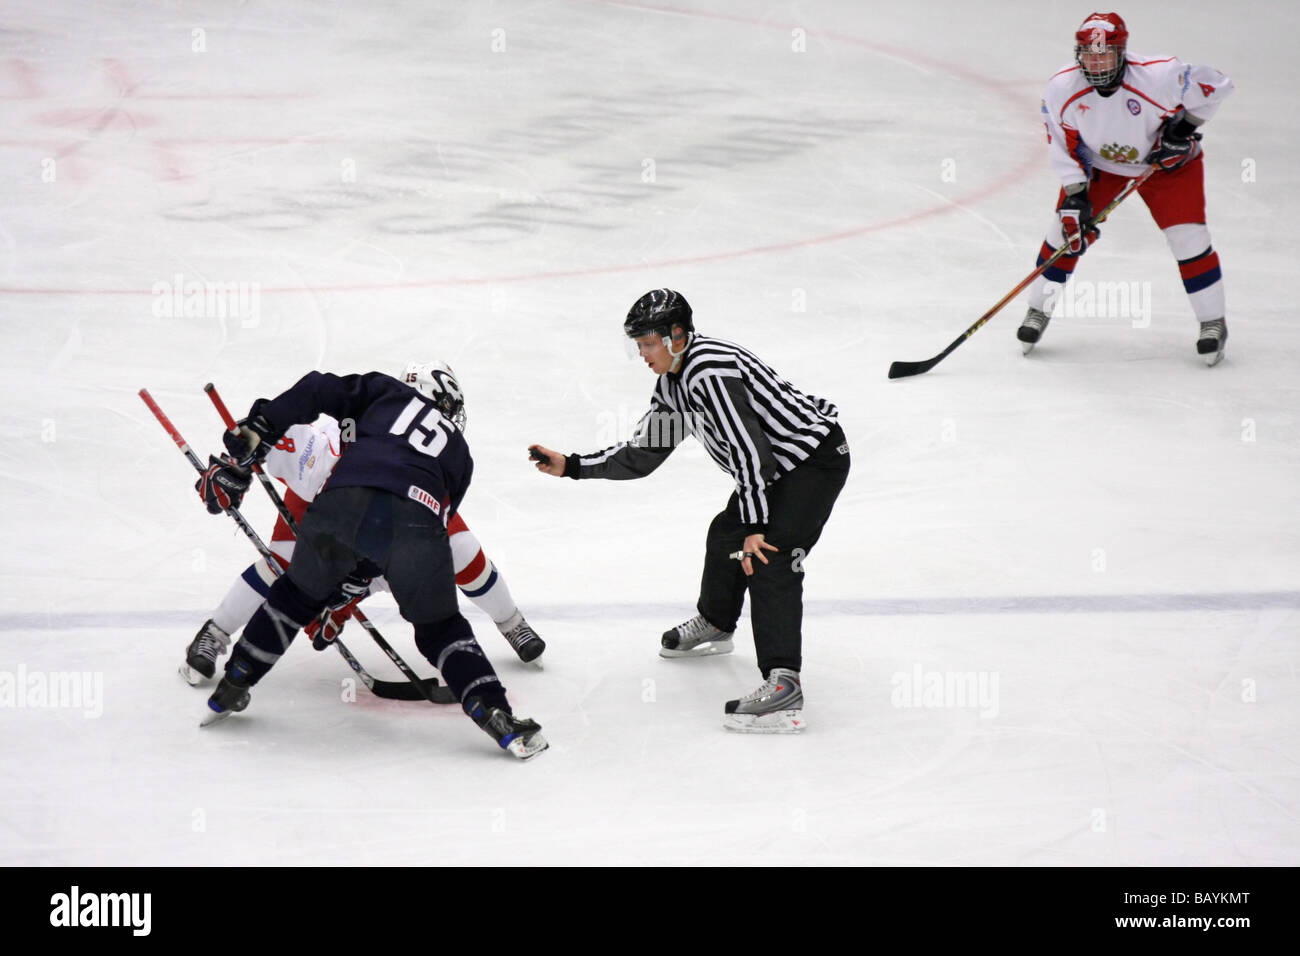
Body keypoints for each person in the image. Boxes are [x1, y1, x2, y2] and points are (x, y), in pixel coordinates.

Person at [529, 289, 849, 733]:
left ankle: (784, 686)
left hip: (813, 461)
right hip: (774, 470)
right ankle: (718, 624)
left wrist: (756, 526)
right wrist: (573, 467)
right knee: (725, 536)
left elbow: (750, 454)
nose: (642, 353)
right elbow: (643, 454)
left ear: (677, 335)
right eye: (637, 345)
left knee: (767, 555)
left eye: (648, 343)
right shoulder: (673, 384)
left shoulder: (709, 372)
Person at [194, 361, 547, 759]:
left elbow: (308, 396)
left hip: (340, 505)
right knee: (441, 627)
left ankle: (234, 683)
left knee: (291, 597)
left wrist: (251, 437)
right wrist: (236, 468)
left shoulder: (380, 395)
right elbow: (412, 540)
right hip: (400, 514)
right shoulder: (460, 454)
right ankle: (495, 713)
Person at [1017, 11, 1234, 365]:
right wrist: (1075, 194)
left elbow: (1218, 85)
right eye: (1090, 54)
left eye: (1105, 53)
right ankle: (1037, 311)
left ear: (1122, 52)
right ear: (1079, 54)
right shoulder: (1061, 88)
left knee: (1188, 238)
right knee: (1064, 232)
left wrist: (1183, 128)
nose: (1097, 62)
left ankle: (1213, 322)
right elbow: (1061, 143)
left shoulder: (1160, 74)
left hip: (1167, 168)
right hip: (1102, 165)